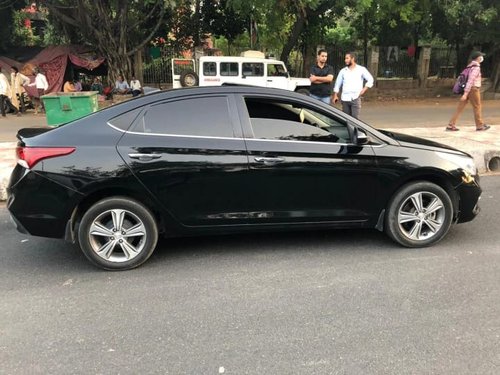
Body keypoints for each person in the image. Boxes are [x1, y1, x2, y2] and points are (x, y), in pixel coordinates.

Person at [446, 51, 490, 132]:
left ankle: (451, 124)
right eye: (481, 56)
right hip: (473, 89)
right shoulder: (476, 68)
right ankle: (480, 125)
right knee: (477, 106)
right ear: (478, 58)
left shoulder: (469, 67)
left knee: (460, 108)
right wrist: (466, 94)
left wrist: (465, 93)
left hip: (467, 89)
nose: (482, 58)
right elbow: (470, 80)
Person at [332, 52, 374, 119]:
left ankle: (354, 130)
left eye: (347, 58)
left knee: (355, 120)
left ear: (353, 59)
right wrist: (335, 95)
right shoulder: (343, 71)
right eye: (345, 58)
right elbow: (338, 83)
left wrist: (364, 90)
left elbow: (370, 79)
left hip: (355, 97)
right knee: (346, 119)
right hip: (345, 99)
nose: (345, 60)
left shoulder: (361, 69)